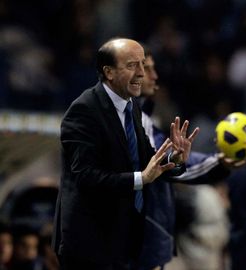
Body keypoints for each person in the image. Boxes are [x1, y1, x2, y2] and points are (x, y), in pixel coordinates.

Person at [52, 38, 199, 270]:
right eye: (133, 65)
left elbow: (145, 158)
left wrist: (174, 159)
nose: (142, 73)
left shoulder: (132, 108)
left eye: (143, 64)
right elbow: (86, 176)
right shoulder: (83, 111)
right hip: (89, 245)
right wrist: (142, 178)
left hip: (123, 240)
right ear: (108, 72)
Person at [137, 47, 232, 270]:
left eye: (153, 68)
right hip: (135, 239)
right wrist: (219, 162)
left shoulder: (143, 119)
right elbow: (165, 161)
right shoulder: (132, 120)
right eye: (146, 69)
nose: (154, 76)